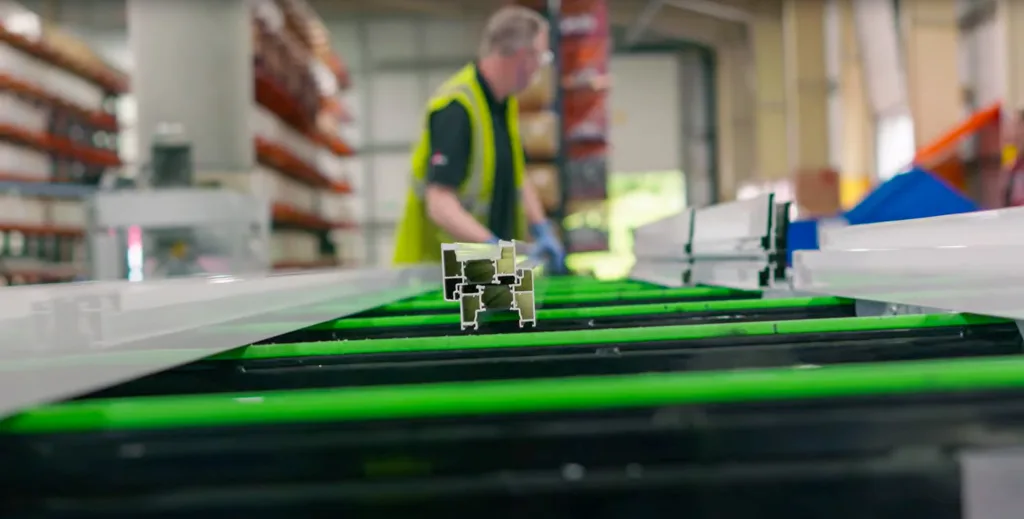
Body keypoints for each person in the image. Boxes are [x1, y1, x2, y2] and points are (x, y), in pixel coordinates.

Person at [392, 6, 566, 271]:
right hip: (436, 279)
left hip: (482, 272)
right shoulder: (456, 107)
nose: (539, 69)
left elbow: (518, 176)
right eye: (541, 58)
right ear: (522, 56)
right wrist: (491, 244)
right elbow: (439, 204)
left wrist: (541, 227)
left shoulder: (502, 105)